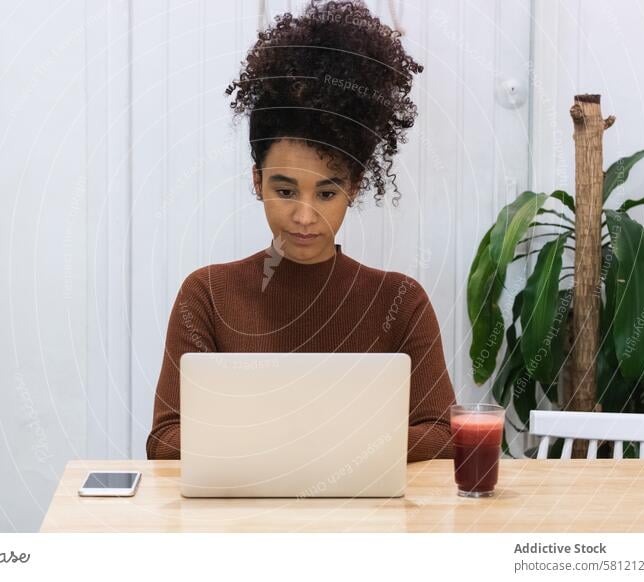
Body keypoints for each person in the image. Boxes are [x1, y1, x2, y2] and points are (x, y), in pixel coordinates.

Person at [146, 0, 456, 462]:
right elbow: (166, 441)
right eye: (286, 191)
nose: (305, 217)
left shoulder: (399, 303)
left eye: (327, 194)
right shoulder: (208, 296)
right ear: (257, 181)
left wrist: (302, 448)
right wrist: (318, 448)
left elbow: (442, 433)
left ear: (353, 186)